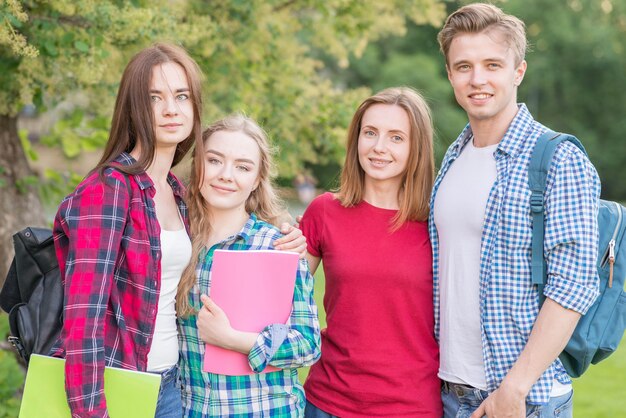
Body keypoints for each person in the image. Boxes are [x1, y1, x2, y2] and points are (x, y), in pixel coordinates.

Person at [52, 44, 305, 418]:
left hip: (171, 389)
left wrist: (286, 231)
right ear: (135, 108)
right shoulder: (108, 190)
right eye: (155, 97)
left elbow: (230, 217)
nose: (171, 108)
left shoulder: (177, 193)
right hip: (119, 384)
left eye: (181, 96)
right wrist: (90, 411)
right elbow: (83, 317)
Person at [431, 4, 600, 418]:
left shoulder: (558, 158)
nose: (478, 79)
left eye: (492, 64)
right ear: (451, 75)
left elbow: (574, 285)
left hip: (523, 399)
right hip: (451, 392)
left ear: (518, 71)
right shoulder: (453, 158)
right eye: (464, 66)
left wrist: (514, 388)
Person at [300, 87, 441, 417]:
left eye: (396, 138)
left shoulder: (438, 223)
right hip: (327, 402)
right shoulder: (323, 211)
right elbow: (279, 299)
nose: (379, 147)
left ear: (416, 147)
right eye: (370, 133)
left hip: (411, 406)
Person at [176, 114, 321, 417]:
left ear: (257, 180)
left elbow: (307, 345)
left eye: (242, 167)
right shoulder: (176, 243)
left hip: (264, 409)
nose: (226, 175)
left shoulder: (277, 246)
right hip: (190, 409)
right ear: (197, 165)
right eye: (214, 160)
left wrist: (234, 340)